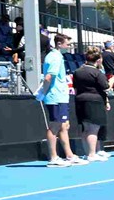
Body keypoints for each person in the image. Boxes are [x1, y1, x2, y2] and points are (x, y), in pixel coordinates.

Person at [37, 33, 85, 167]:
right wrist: (43, 93)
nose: (69, 46)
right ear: (59, 44)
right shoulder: (54, 57)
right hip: (55, 97)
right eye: (67, 44)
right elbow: (48, 78)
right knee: (55, 126)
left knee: (64, 125)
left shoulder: (58, 56)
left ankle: (69, 155)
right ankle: (53, 157)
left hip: (61, 96)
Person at [72, 47, 110, 162]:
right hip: (94, 101)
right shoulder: (97, 72)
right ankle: (92, 154)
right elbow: (106, 87)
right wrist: (111, 82)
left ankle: (87, 152)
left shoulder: (77, 72)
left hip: (80, 100)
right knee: (93, 128)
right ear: (98, 60)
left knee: (86, 128)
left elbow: (75, 87)